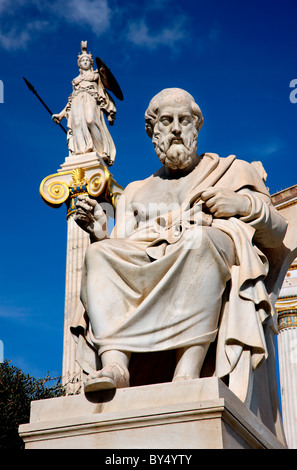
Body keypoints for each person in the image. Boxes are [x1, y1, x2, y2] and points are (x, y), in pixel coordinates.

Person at [72, 87, 287, 394]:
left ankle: (187, 371)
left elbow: (278, 231)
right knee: (98, 255)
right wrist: (100, 233)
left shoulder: (230, 170)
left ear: (196, 127)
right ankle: (116, 365)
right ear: (152, 131)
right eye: (165, 121)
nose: (175, 128)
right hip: (151, 263)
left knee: (197, 241)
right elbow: (123, 249)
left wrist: (241, 206)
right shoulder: (135, 190)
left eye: (184, 120)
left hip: (202, 252)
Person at [52, 42, 117, 165]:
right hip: (77, 101)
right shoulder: (75, 81)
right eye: (83, 60)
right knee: (76, 124)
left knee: (90, 120)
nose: (85, 62)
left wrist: (104, 73)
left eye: (87, 60)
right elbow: (70, 100)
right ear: (79, 64)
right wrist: (60, 115)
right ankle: (82, 151)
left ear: (91, 63)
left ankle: (101, 150)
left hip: (90, 98)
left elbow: (108, 85)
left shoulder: (96, 74)